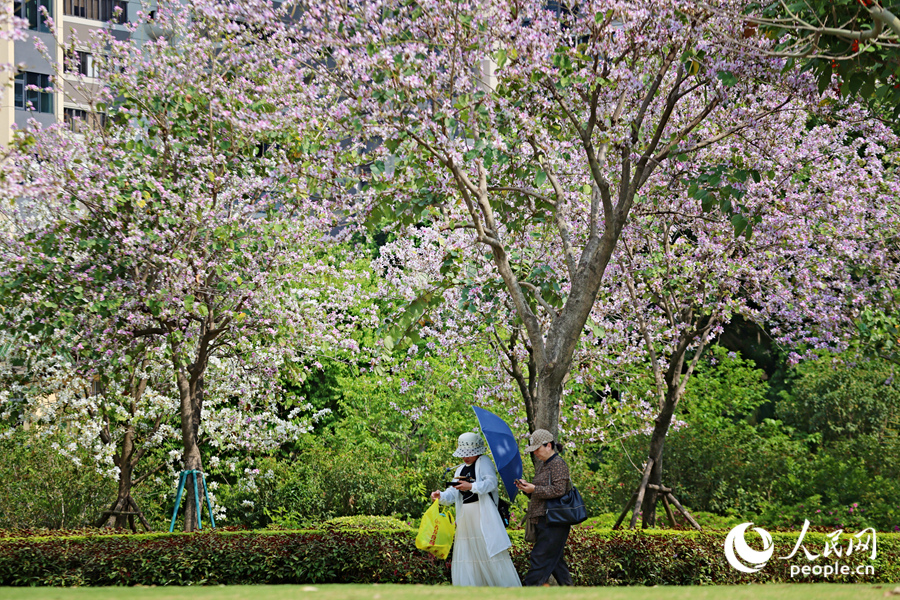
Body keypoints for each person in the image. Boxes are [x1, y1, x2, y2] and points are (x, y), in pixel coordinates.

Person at [430, 432, 521, 587]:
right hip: (466, 515)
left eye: (469, 453)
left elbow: (491, 483)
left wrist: (471, 486)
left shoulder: (483, 461)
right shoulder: (460, 469)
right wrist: (441, 496)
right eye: (463, 453)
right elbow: (454, 493)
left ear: (477, 450)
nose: (466, 457)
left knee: (487, 550)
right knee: (468, 552)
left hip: (481, 513)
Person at [514, 428, 574, 587]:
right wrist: (527, 488)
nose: (535, 453)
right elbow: (540, 493)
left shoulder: (558, 464)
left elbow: (559, 490)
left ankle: (530, 592)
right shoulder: (543, 465)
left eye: (537, 449)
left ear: (549, 445)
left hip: (554, 520)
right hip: (543, 519)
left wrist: (534, 489)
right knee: (556, 563)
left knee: (539, 558)